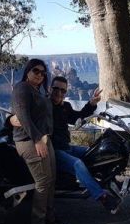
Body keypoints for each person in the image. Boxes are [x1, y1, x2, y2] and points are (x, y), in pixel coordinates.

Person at [11, 76, 121, 214]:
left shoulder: (66, 107)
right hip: (54, 150)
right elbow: (25, 114)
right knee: (77, 164)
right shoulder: (44, 105)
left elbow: (77, 116)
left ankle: (111, 183)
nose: (59, 93)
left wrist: (92, 103)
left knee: (97, 152)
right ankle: (102, 197)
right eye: (56, 89)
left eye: (63, 91)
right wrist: (11, 119)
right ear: (50, 88)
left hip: (68, 147)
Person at [11, 59, 68, 224]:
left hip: (44, 139)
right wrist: (37, 140)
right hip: (29, 141)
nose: (40, 75)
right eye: (36, 71)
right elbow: (23, 117)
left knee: (51, 180)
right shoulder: (22, 88)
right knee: (43, 182)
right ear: (28, 71)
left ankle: (50, 218)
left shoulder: (37, 91)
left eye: (43, 73)